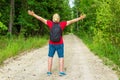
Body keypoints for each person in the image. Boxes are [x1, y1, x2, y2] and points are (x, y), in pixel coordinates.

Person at [28, 10, 86, 76]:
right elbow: (72, 21)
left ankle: (49, 72)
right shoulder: (62, 24)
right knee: (61, 57)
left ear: (53, 19)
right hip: (60, 43)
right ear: (59, 19)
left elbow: (41, 18)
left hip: (51, 44)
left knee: (50, 57)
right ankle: (61, 72)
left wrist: (33, 14)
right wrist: (80, 18)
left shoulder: (50, 23)